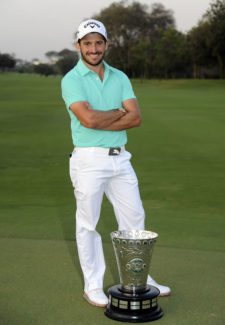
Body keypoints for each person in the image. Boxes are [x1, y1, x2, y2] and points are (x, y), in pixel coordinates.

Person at [61, 19, 171, 307]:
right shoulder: (71, 80)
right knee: (88, 224)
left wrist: (101, 117)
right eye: (87, 43)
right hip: (88, 160)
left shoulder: (120, 77)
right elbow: (88, 119)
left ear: (106, 44)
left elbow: (135, 117)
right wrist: (114, 113)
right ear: (79, 46)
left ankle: (140, 277)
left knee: (135, 219)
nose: (93, 48)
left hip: (121, 159)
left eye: (99, 43)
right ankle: (92, 285)